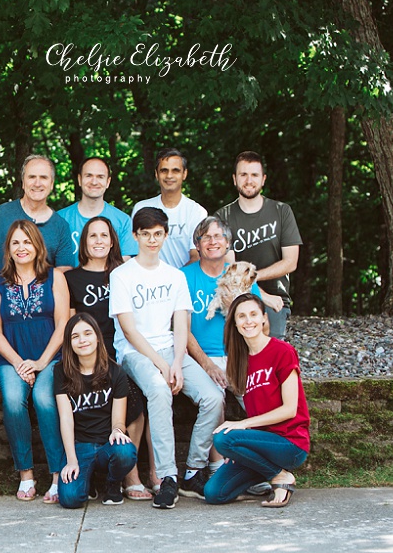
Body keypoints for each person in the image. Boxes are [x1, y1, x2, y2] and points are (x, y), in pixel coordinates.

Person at [109, 207, 224, 509]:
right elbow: (129, 330)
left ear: (165, 235)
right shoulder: (121, 275)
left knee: (213, 397)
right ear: (135, 236)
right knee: (159, 391)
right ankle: (167, 477)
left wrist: (176, 362)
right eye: (145, 234)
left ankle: (193, 468)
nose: (151, 240)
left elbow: (181, 323)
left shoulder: (174, 276)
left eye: (157, 234)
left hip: (172, 350)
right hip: (136, 353)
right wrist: (162, 366)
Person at [63, 216, 153, 500]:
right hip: (87, 356)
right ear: (84, 242)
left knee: (137, 401)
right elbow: (70, 325)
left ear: (113, 240)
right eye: (93, 236)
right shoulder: (72, 278)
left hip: (122, 354)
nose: (99, 241)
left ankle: (131, 475)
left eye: (105, 235)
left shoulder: (126, 272)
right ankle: (93, 471)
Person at [180, 216, 263, 499]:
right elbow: (182, 330)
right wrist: (208, 364)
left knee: (258, 404)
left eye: (218, 237)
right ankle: (203, 470)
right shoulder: (185, 276)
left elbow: (258, 321)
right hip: (198, 357)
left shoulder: (238, 273)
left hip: (237, 354)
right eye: (206, 237)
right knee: (214, 401)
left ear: (228, 243)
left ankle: (256, 468)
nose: (213, 241)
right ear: (198, 245)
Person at [0, 219, 68, 503]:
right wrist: (20, 362)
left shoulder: (55, 277)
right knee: (12, 399)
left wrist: (41, 361)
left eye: (27, 241)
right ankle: (26, 475)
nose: (22, 248)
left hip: (50, 357)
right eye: (15, 243)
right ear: (7, 249)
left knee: (45, 400)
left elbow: (62, 326)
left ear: (37, 245)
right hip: (12, 359)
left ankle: (58, 476)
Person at [204, 293, 310, 507]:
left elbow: (290, 409)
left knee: (224, 438)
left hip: (290, 443)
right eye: (241, 316)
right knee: (214, 493)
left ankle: (281, 477)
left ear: (264, 318)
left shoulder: (282, 351)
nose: (248, 321)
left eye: (253, 314)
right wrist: (242, 451)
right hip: (261, 447)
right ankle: (274, 474)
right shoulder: (240, 361)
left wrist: (242, 427)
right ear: (234, 323)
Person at [55, 314, 139, 509]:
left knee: (126, 451)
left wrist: (118, 431)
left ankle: (113, 483)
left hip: (106, 445)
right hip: (80, 446)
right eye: (75, 336)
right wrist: (71, 461)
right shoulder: (62, 372)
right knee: (70, 499)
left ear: (98, 337)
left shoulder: (116, 372)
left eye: (87, 333)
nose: (82, 340)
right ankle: (87, 480)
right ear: (69, 343)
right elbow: (66, 418)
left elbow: (118, 420)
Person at [215, 151, 302, 340]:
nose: (248, 180)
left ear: (263, 179)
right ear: (234, 179)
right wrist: (257, 292)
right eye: (243, 175)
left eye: (254, 175)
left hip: (275, 299)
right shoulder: (222, 217)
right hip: (236, 298)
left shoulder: (282, 212)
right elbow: (230, 268)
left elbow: (290, 262)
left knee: (270, 356)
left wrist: (252, 279)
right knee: (236, 355)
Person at [0, 155, 72, 284]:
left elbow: (63, 274)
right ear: (23, 182)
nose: (37, 183)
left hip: (42, 302)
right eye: (32, 177)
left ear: (52, 184)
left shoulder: (61, 226)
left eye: (43, 177)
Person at [131, 148, 207, 268]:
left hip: (185, 282)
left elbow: (196, 256)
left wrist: (172, 280)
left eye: (175, 170)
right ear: (156, 174)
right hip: (147, 282)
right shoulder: (142, 208)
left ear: (184, 174)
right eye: (164, 170)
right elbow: (135, 254)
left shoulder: (197, 212)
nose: (169, 176)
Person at [57, 157, 138, 267]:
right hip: (67, 284)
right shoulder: (59, 219)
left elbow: (124, 268)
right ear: (79, 179)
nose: (94, 182)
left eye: (100, 177)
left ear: (108, 182)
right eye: (89, 176)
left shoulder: (123, 221)